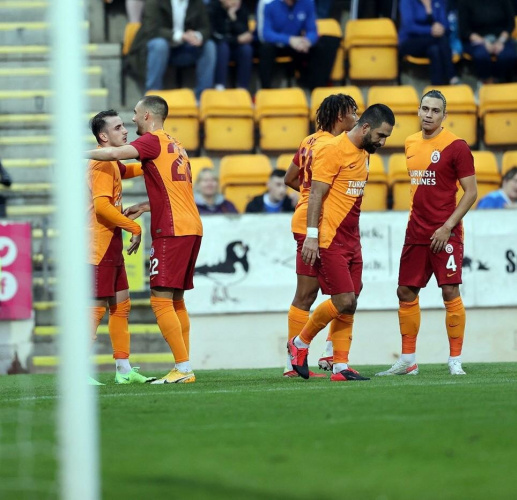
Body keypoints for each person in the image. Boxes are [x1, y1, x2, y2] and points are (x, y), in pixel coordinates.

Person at [85, 95, 202, 384]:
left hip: (169, 230)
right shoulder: (174, 145)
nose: (129, 124)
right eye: (118, 127)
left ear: (147, 115)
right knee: (163, 302)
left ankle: (179, 368)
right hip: (108, 241)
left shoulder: (148, 143)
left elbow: (121, 161)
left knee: (158, 301)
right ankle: (92, 370)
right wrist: (142, 215)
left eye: (134, 116)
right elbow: (106, 201)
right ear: (104, 136)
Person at [287, 104, 395, 381]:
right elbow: (315, 194)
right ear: (366, 128)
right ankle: (299, 343)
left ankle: (340, 365)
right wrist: (312, 236)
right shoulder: (331, 149)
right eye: (381, 136)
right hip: (330, 237)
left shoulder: (364, 153)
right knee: (342, 299)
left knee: (352, 300)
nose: (382, 143)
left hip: (352, 238)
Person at [376, 89, 477, 377]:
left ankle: (455, 360)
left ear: (444, 115)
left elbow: (471, 192)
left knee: (449, 291)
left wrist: (447, 227)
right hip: (416, 231)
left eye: (435, 110)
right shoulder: (410, 142)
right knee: (405, 291)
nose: (429, 115)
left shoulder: (456, 146)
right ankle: (408, 360)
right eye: (425, 109)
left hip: (446, 232)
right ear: (418, 111)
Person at [282, 93, 359, 378]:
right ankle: (330, 354)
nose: (357, 118)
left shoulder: (309, 140)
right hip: (319, 226)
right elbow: (320, 189)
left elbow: (290, 178)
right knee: (344, 294)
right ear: (341, 116)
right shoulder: (334, 146)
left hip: (302, 221)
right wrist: (318, 197)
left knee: (305, 294)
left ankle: (292, 365)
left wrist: (307, 194)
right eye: (353, 112)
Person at [87, 110, 155, 385]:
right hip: (97, 245)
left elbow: (129, 170)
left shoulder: (111, 162)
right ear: (103, 137)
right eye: (117, 128)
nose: (125, 130)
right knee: (95, 310)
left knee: (121, 306)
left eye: (124, 125)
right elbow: (102, 207)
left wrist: (158, 161)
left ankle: (124, 370)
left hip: (110, 243)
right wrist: (134, 228)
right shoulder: (101, 164)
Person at [126, 0, 216, 99]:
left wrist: (197, 35)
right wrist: (180, 36)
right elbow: (152, 30)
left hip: (183, 50)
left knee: (209, 45)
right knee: (160, 45)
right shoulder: (155, 2)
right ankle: (152, 95)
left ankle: (203, 97)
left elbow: (206, 28)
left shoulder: (196, 2)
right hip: (153, 52)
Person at [256, 0, 340, 90]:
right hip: (276, 44)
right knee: (266, 48)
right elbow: (265, 34)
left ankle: (317, 90)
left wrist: (307, 41)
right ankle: (266, 90)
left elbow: (312, 30)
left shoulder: (308, 2)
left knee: (328, 42)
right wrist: (289, 40)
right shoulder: (267, 2)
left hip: (298, 44)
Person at [398, 0, 460, 85]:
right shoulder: (407, 1)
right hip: (410, 41)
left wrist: (441, 28)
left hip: (433, 41)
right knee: (441, 39)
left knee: (434, 50)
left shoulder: (438, 1)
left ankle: (437, 86)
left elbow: (446, 23)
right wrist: (430, 30)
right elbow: (409, 26)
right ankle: (452, 76)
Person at [459, 0, 517, 83]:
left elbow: (510, 24)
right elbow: (464, 30)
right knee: (481, 55)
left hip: (501, 38)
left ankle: (501, 81)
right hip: (476, 39)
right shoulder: (465, 2)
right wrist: (484, 42)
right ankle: (486, 82)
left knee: (508, 56)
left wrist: (500, 41)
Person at [210, 0, 253, 90]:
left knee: (246, 49)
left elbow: (245, 34)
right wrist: (236, 40)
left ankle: (243, 88)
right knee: (223, 48)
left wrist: (233, 18)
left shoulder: (241, 8)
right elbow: (216, 35)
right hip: (219, 46)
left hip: (235, 46)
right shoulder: (213, 8)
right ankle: (219, 86)